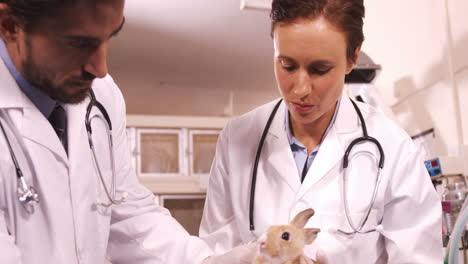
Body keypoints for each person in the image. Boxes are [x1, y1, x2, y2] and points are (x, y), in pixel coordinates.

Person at [0, 0, 257, 263]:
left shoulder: (102, 95)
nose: (100, 69)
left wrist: (206, 262)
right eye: (77, 43)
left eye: (110, 36)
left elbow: (126, 211)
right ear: (9, 25)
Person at [200, 0, 443, 263]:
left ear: (352, 58)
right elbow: (215, 254)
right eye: (287, 65)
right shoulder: (237, 138)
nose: (300, 89)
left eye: (319, 69)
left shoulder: (392, 148)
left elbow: (417, 258)